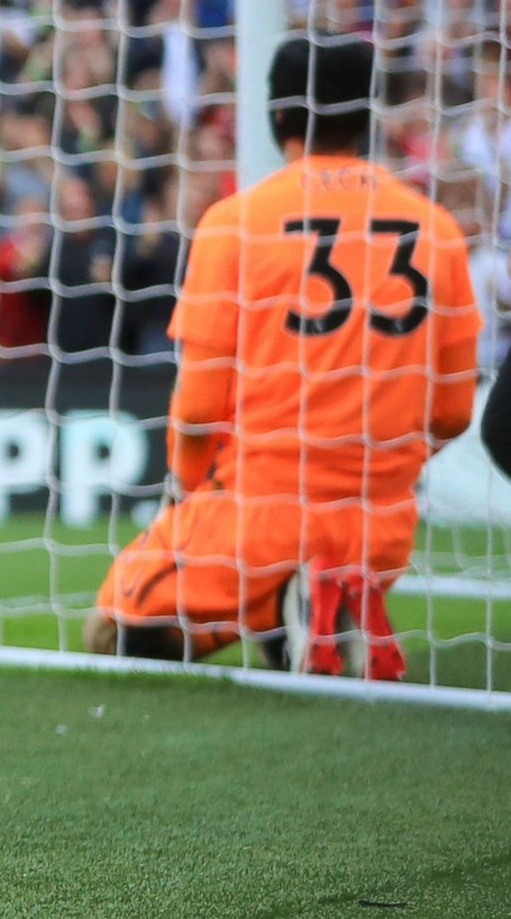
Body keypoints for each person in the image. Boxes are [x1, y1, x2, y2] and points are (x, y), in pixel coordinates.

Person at [88, 37, 481, 678]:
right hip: (378, 526)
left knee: (109, 632)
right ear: (368, 114)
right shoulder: (435, 229)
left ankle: (284, 603)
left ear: (277, 116)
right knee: (296, 562)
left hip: (259, 514)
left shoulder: (237, 221)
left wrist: (186, 494)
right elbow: (456, 411)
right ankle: (308, 609)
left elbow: (195, 411)